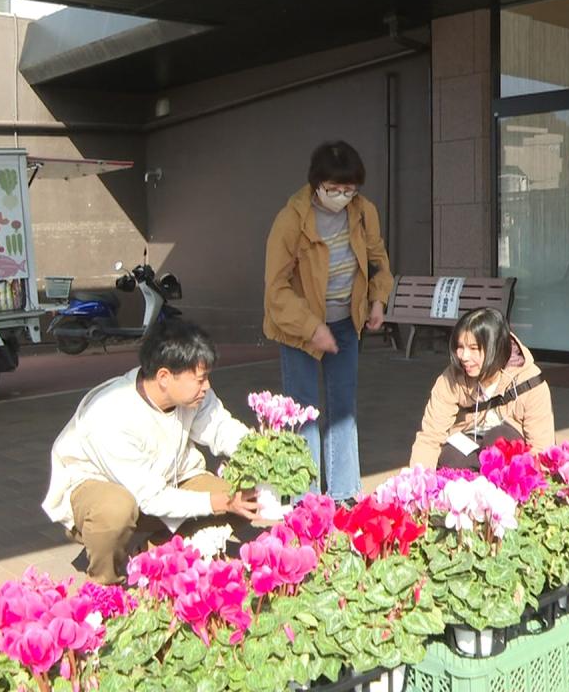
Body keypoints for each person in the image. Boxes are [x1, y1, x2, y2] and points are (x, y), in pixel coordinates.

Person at [41, 319, 260, 584]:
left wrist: (263, 454)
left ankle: (157, 552)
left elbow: (222, 429)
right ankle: (105, 584)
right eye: (200, 379)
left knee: (244, 499)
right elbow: (150, 497)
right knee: (115, 510)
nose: (206, 386)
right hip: (100, 486)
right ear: (164, 377)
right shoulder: (110, 414)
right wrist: (220, 502)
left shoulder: (195, 394)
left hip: (168, 477)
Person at [263, 141, 393, 501]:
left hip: (345, 322)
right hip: (299, 328)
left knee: (343, 409)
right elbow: (275, 291)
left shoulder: (364, 211)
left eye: (349, 189)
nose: (341, 196)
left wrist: (378, 299)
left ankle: (343, 492)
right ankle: (305, 499)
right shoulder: (290, 220)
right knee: (303, 411)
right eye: (333, 189)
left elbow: (378, 260)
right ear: (316, 184)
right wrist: (312, 328)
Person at [410, 307, 555, 470]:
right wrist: (418, 481)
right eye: (460, 347)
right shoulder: (451, 378)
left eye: (474, 348)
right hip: (470, 439)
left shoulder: (530, 381)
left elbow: (541, 447)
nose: (464, 357)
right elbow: (430, 436)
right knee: (452, 457)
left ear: (495, 348)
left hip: (512, 455)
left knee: (499, 438)